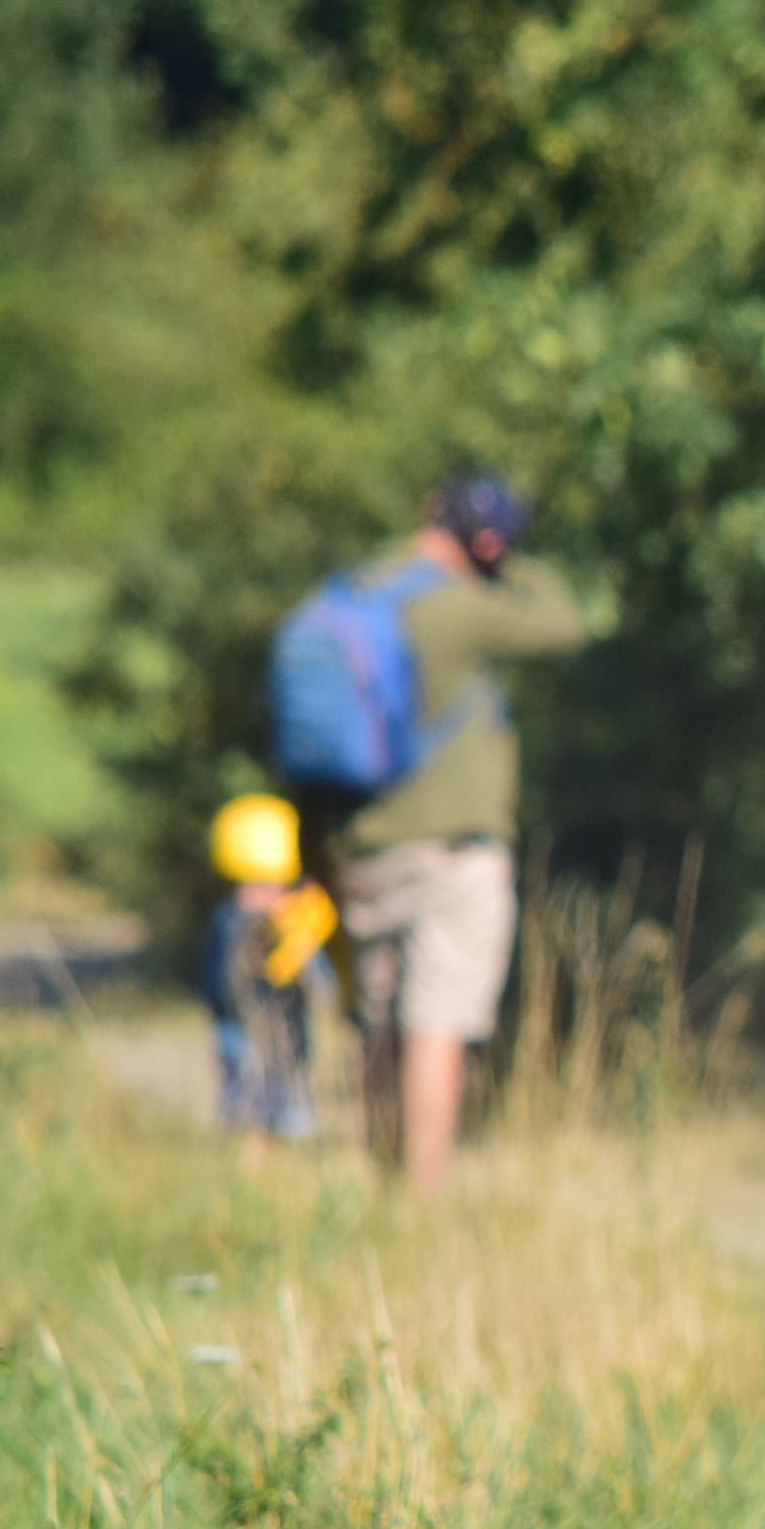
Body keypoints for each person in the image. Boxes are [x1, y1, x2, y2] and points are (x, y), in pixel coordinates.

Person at [323, 473, 585, 1197]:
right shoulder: (457, 607)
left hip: (365, 848)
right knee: (435, 1024)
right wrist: (510, 564)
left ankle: (380, 1181)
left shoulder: (361, 591)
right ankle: (422, 1195)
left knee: (379, 1024)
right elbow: (564, 623)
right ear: (487, 541)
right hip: (450, 851)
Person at [200, 793, 337, 1155]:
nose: (259, 898)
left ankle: (272, 1162)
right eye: (250, 887)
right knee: (248, 1109)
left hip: (288, 1041)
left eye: (269, 887)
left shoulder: (295, 924)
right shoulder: (227, 922)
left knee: (289, 1112)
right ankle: (253, 1161)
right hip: (240, 1037)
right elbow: (213, 986)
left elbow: (322, 984)